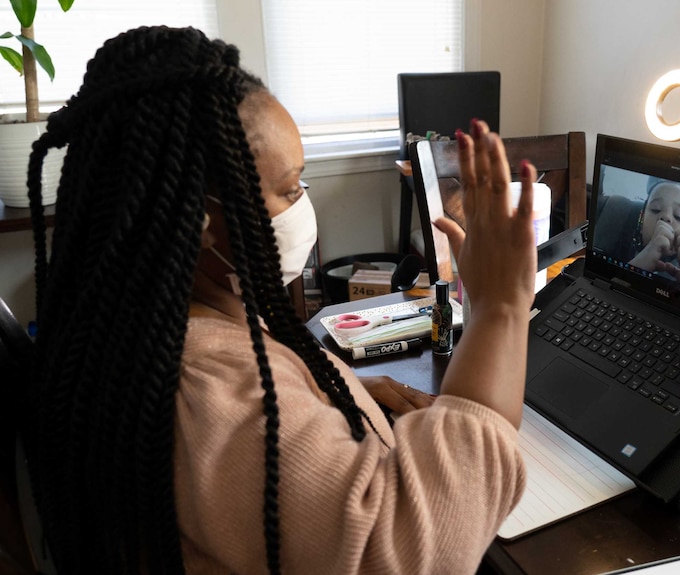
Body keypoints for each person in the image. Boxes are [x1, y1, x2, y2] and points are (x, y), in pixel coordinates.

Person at [24, 26, 537, 574]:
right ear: (197, 221)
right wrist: (500, 310)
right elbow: (409, 553)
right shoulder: (211, 389)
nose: (302, 203)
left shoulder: (147, 327)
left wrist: (333, 391)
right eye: (291, 188)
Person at [626, 180, 680, 290]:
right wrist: (635, 267)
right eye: (655, 209)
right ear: (641, 222)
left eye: (678, 216)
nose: (666, 217)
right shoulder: (623, 248)